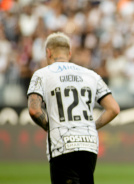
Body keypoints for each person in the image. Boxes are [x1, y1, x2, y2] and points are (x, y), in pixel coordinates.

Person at [27, 32, 120, 184]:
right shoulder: (91, 75)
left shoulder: (42, 74)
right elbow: (114, 108)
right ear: (69, 53)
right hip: (89, 144)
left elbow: (34, 110)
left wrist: (50, 127)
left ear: (48, 53)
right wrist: (91, 126)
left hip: (62, 145)